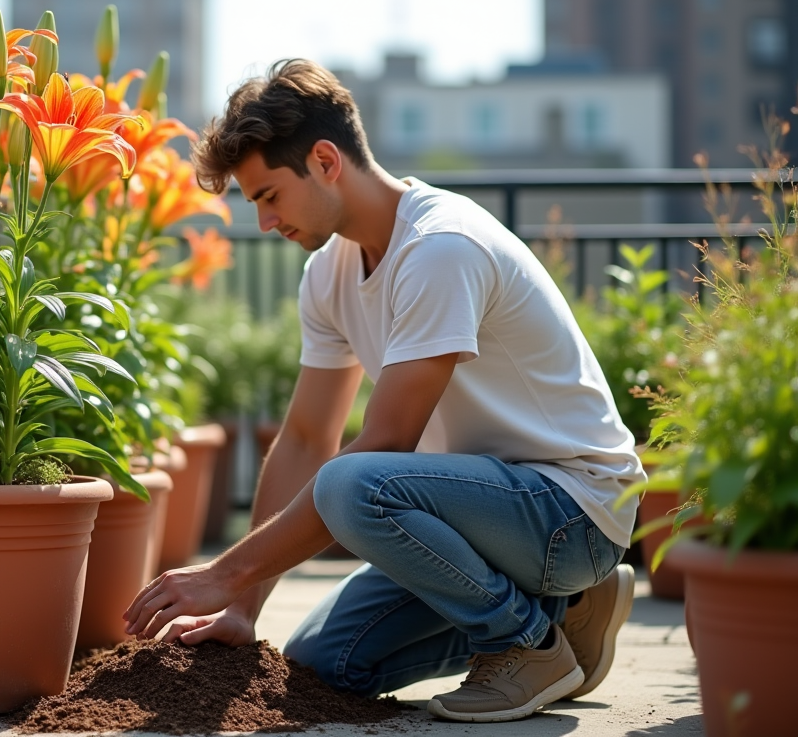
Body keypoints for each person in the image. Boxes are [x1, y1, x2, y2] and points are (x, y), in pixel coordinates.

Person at [122, 59, 646, 723]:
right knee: (325, 663)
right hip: (482, 518)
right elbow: (305, 438)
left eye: (269, 196)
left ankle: (524, 645)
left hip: (571, 511)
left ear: (324, 161)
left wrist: (224, 571)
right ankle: (563, 613)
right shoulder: (328, 274)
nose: (264, 222)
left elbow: (386, 444)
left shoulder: (440, 247)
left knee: (352, 483)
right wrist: (241, 605)